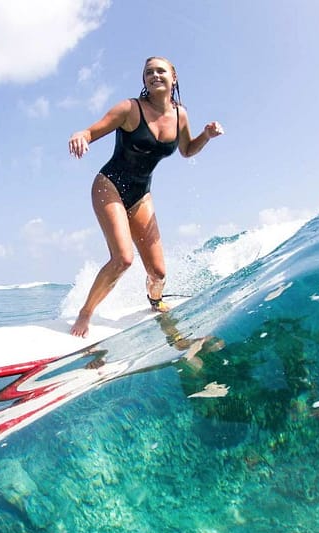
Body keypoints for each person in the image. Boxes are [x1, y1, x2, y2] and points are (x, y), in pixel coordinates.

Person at [68, 56, 224, 337]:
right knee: (123, 259)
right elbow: (92, 130)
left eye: (160, 71)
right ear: (144, 81)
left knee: (159, 274)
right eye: (148, 72)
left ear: (173, 77)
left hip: (141, 195)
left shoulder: (180, 115)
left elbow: (187, 150)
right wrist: (81, 135)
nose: (155, 75)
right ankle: (85, 312)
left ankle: (154, 300)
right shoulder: (130, 109)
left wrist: (206, 135)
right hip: (109, 186)